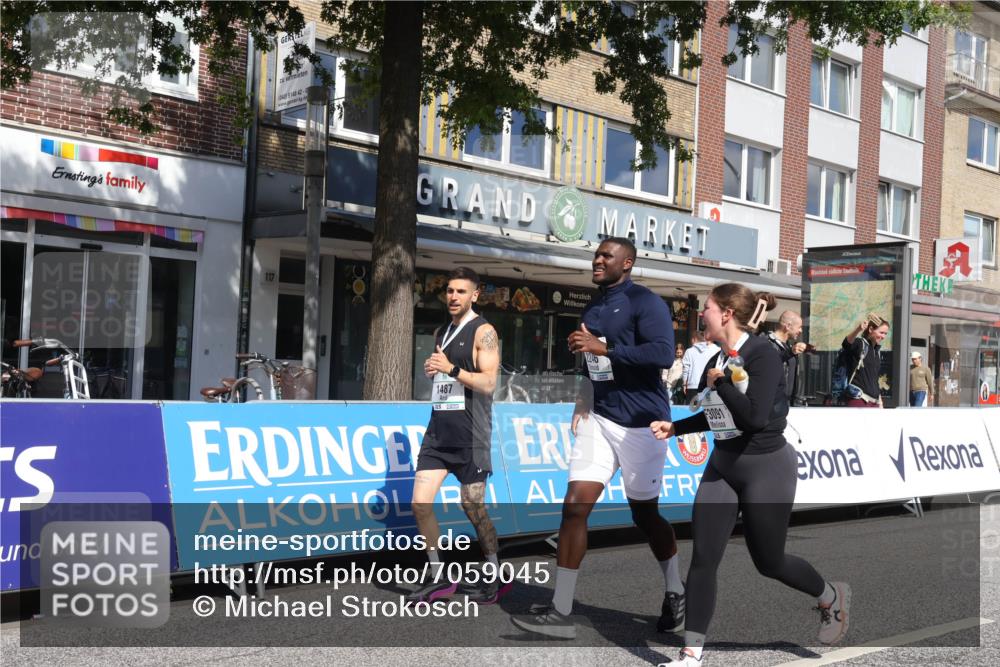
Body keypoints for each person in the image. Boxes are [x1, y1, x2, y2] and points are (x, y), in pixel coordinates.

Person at [651, 283, 851, 666]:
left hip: (767, 468)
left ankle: (830, 595)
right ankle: (691, 653)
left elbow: (755, 417)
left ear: (726, 313)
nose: (702, 315)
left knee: (769, 561)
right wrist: (676, 427)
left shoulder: (760, 353)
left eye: (706, 307)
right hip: (723, 465)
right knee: (704, 558)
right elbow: (720, 414)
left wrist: (720, 383)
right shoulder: (721, 357)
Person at [511, 237, 684, 639]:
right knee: (575, 505)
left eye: (607, 256)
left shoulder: (647, 302)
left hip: (644, 422)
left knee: (644, 514)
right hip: (600, 419)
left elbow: (661, 354)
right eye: (597, 254)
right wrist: (583, 397)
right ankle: (561, 609)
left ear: (627, 264)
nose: (598, 260)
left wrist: (605, 347)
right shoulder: (594, 305)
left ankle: (675, 589)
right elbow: (593, 363)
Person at [407, 267, 507, 605]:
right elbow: (446, 377)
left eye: (461, 292)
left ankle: (493, 573)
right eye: (449, 291)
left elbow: (490, 383)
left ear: (475, 295)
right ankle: (438, 577)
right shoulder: (442, 331)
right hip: (438, 432)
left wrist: (450, 369)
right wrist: (435, 370)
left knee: (472, 506)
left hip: (472, 433)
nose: (453, 297)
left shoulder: (485, 332)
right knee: (420, 504)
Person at [841, 314, 889, 408]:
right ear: (871, 330)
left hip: (874, 402)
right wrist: (858, 329)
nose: (883, 336)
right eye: (881, 332)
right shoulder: (860, 344)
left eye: (885, 334)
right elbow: (846, 343)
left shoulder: (877, 351)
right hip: (859, 400)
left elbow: (873, 378)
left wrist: (880, 400)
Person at [762, 310, 807, 403]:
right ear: (788, 326)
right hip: (772, 403)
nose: (801, 331)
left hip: (787, 402)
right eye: (799, 327)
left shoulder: (787, 345)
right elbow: (770, 363)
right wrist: (790, 352)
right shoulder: (766, 342)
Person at [682, 330, 719, 402]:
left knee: (692, 411)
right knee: (707, 411)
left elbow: (685, 369)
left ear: (694, 339)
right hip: (709, 385)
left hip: (692, 385)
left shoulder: (689, 351)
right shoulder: (717, 350)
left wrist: (684, 384)